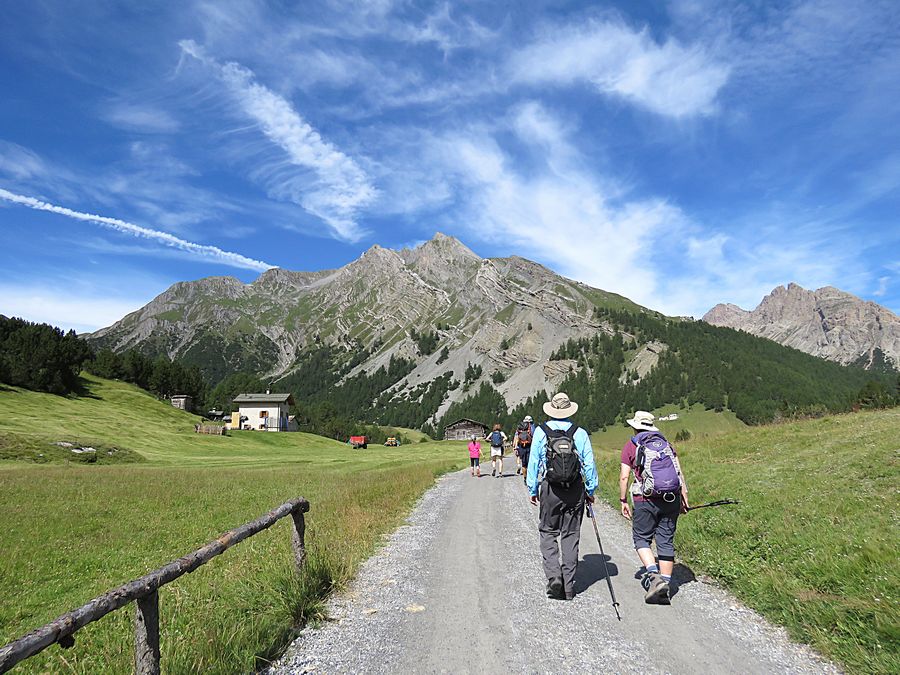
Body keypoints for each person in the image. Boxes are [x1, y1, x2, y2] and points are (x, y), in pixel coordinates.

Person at [527, 393, 598, 600]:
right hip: (575, 489)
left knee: (548, 531)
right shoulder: (580, 433)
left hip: (551, 489)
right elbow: (589, 464)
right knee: (570, 534)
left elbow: (534, 463)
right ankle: (568, 587)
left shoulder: (541, 432)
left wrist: (533, 489)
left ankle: (553, 577)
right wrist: (591, 491)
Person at [619, 410, 690, 604]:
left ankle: (654, 576)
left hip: (645, 499)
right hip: (671, 498)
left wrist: (623, 500)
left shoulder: (632, 445)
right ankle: (665, 586)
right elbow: (678, 472)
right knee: (665, 540)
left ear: (635, 426)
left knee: (641, 538)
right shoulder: (666, 444)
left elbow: (625, 476)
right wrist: (684, 498)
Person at [514, 415, 535, 483]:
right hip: (530, 446)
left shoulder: (519, 428)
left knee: (524, 463)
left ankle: (525, 478)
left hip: (521, 447)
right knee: (530, 463)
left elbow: (516, 437)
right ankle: (530, 477)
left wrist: (515, 446)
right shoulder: (533, 427)